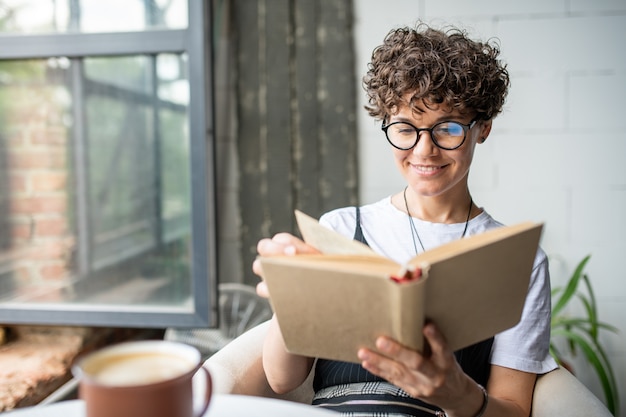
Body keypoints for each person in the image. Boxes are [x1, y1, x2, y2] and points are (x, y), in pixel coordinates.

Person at [253, 23, 557, 417]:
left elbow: (514, 409)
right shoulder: (340, 230)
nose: (424, 150)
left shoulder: (519, 261)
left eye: (447, 128)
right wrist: (290, 296)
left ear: (482, 128)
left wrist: (457, 394)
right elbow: (281, 379)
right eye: (405, 128)